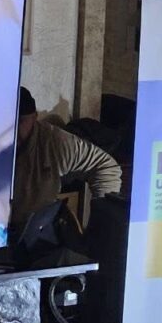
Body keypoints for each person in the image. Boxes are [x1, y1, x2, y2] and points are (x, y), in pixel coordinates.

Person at [10, 87, 122, 229]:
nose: (12, 130)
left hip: (30, 230)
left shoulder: (53, 142)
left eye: (20, 121)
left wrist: (101, 223)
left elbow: (105, 166)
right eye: (7, 121)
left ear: (34, 117)